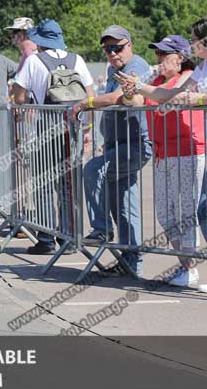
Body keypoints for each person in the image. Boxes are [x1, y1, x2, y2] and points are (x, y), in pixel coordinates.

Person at [71, 25, 152, 276]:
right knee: (125, 205)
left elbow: (120, 97)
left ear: (130, 45)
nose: (113, 53)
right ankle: (131, 262)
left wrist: (87, 103)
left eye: (117, 47)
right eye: (108, 49)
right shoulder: (111, 69)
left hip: (136, 144)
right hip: (117, 143)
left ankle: (102, 229)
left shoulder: (136, 66)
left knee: (93, 169)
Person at [10, 19, 95, 255]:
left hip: (45, 128)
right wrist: (87, 128)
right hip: (73, 126)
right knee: (68, 183)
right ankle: (69, 237)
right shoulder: (77, 59)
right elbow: (89, 93)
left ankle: (46, 238)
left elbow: (18, 97)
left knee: (44, 183)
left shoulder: (34, 60)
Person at [137, 36, 205, 289]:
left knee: (188, 211)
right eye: (157, 54)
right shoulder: (155, 81)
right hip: (163, 153)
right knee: (165, 212)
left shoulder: (189, 76)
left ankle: (190, 269)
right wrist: (131, 90)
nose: (159, 59)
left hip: (188, 150)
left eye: (165, 54)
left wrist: (139, 87)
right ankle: (186, 266)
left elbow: (169, 98)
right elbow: (137, 101)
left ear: (180, 57)